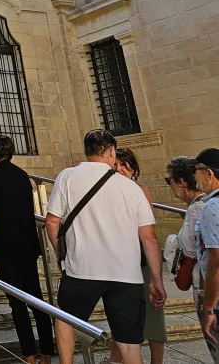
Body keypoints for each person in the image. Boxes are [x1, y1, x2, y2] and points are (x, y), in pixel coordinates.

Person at [45, 129, 166, 364]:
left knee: (65, 318)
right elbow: (149, 238)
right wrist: (156, 279)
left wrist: (61, 253)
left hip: (83, 268)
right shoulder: (132, 189)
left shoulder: (68, 176)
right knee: (129, 345)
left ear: (87, 151)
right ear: (111, 151)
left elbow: (52, 220)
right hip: (126, 274)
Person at [0, 135, 54, 364]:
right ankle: (47, 352)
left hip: (5, 246)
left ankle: (29, 354)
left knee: (17, 302)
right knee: (36, 298)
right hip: (28, 244)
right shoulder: (22, 176)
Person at [109, 147, 167, 364]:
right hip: (120, 262)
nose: (121, 169)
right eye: (117, 165)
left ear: (133, 168)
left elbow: (146, 229)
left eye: (125, 165)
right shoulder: (110, 192)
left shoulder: (141, 190)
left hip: (140, 258)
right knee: (121, 316)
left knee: (153, 315)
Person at [165, 156, 209, 355]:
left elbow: (191, 251)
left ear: (182, 182)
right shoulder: (207, 203)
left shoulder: (195, 210)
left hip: (205, 284)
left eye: (169, 181)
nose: (170, 186)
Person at [194, 147, 219, 363]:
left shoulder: (211, 207)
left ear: (208, 173)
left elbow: (216, 262)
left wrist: (209, 307)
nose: (195, 178)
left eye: (196, 171)